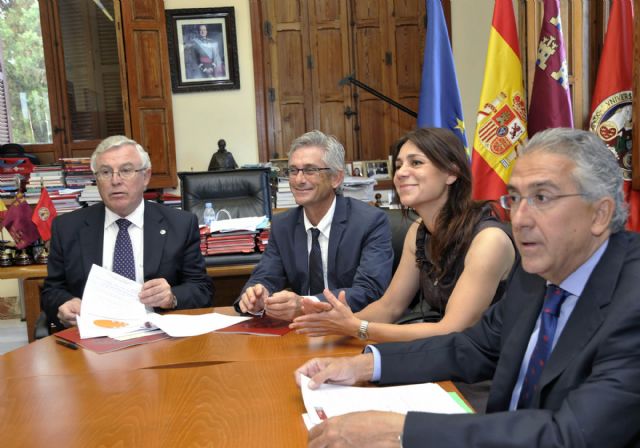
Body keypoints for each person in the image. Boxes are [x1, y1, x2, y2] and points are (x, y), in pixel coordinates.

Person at [296, 128, 640, 447]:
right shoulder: (537, 272)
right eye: (515, 198)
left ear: (599, 215)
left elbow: (569, 436)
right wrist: (363, 365)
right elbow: (472, 348)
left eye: (542, 197)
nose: (520, 219)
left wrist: (401, 431)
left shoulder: (632, 302)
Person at [290, 128, 515, 343]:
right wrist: (334, 324)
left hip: (486, 361)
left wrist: (357, 328)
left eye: (416, 163)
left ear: (451, 173)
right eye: (398, 166)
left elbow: (451, 330)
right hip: (440, 351)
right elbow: (390, 307)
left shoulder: (489, 241)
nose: (401, 173)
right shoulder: (419, 230)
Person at [42, 135, 213, 328]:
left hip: (158, 335)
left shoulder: (180, 225)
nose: (115, 180)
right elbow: (51, 291)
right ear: (96, 179)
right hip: (95, 334)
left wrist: (172, 297)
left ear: (146, 177)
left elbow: (202, 290)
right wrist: (64, 304)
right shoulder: (67, 228)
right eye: (105, 172)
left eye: (126, 170)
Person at [234, 130, 393, 321]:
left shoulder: (370, 222)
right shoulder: (283, 225)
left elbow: (370, 290)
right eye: (293, 170)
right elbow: (266, 276)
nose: (299, 180)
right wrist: (257, 296)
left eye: (310, 170)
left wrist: (305, 305)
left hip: (353, 327)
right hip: (302, 331)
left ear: (336, 178)